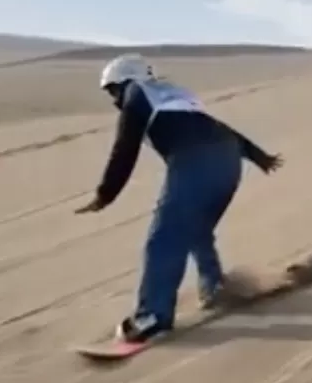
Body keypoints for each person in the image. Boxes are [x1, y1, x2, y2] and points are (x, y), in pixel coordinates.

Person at [72, 53, 283, 343]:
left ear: (126, 80)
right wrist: (258, 156)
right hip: (228, 164)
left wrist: (105, 193)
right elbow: (218, 128)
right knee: (195, 231)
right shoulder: (172, 94)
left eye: (112, 90)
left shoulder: (138, 92)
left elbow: (125, 145)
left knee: (165, 239)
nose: (114, 99)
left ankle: (152, 316)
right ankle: (214, 286)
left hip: (196, 164)